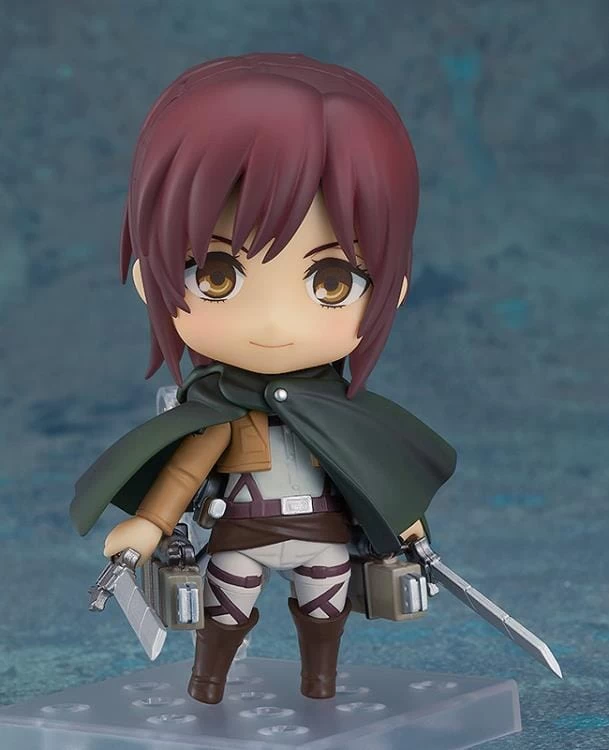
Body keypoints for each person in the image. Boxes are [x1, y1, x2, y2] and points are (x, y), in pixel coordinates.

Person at [70, 53, 457, 705]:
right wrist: (150, 525)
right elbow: (185, 473)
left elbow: (374, 466)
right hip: (241, 536)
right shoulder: (219, 411)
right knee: (223, 615)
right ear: (148, 278)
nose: (274, 322)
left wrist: (407, 521)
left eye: (331, 282)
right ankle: (207, 687)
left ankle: (321, 687)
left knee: (326, 611)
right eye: (216, 276)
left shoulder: (345, 416)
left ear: (391, 290)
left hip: (323, 537)